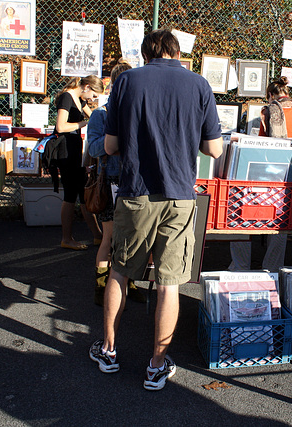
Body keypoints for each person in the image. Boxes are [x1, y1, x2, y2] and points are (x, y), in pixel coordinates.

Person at [88, 29, 222, 391]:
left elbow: (112, 146)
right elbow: (215, 149)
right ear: (178, 52)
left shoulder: (127, 81)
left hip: (136, 193)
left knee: (120, 271)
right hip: (180, 195)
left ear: (146, 52)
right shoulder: (199, 85)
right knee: (169, 282)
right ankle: (156, 365)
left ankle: (109, 350)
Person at [228, 76, 292, 272]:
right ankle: (272, 267)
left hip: (266, 174)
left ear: (270, 95)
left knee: (241, 214)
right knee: (279, 223)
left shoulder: (267, 111)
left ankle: (240, 266)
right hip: (290, 177)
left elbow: (263, 145)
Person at [86, 60, 145, 305]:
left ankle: (127, 283)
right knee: (109, 238)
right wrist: (118, 141)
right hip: (110, 180)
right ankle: (101, 288)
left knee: (131, 238)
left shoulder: (137, 111)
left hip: (133, 180)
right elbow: (94, 146)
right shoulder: (102, 114)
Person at [54, 75, 104, 250]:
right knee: (70, 195)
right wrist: (83, 123)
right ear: (87, 87)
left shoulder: (79, 99)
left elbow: (95, 115)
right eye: (94, 95)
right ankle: (67, 238)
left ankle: (98, 235)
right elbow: (60, 127)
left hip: (74, 150)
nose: (93, 99)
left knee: (83, 192)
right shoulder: (67, 97)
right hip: (65, 151)